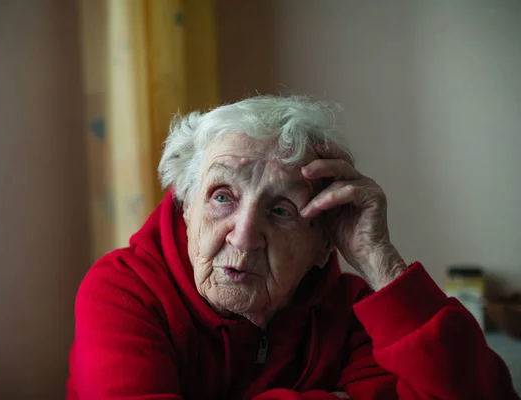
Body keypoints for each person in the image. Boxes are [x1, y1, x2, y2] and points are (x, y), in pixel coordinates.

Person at [66, 96, 518, 399]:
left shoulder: (352, 317)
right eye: (222, 196)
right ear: (186, 205)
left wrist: (380, 260)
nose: (243, 236)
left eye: (281, 210)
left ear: (324, 243)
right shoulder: (122, 294)